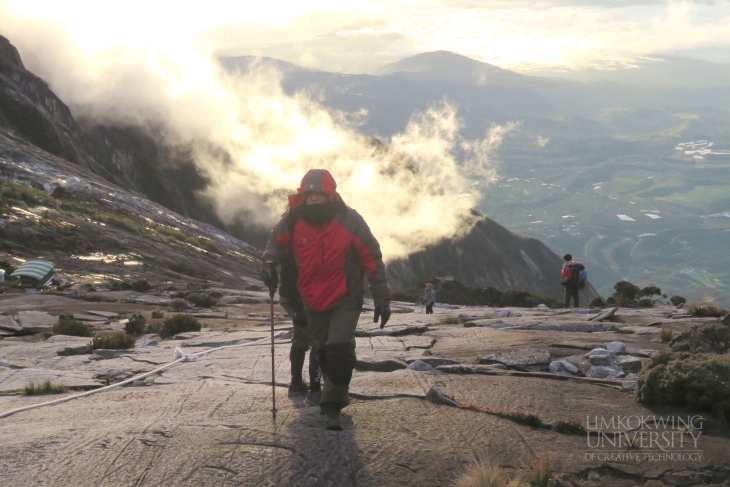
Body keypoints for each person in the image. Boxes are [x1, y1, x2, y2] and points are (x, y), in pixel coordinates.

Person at [261, 169, 392, 431]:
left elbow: (371, 258)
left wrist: (382, 297)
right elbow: (275, 243)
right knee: (322, 351)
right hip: (311, 297)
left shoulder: (350, 220)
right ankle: (326, 393)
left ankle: (333, 405)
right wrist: (268, 262)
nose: (313, 200)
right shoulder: (293, 220)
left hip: (346, 296)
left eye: (318, 195)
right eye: (309, 195)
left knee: (339, 347)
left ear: (330, 195)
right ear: (303, 197)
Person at [265, 234, 321, 399]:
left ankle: (297, 383)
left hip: (294, 298)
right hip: (300, 298)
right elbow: (292, 277)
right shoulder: (300, 240)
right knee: (317, 339)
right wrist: (298, 308)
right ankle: (315, 389)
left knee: (301, 336)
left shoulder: (289, 232)